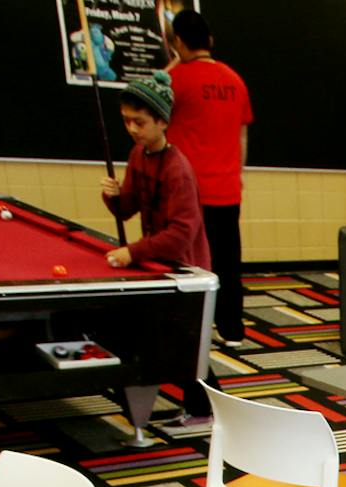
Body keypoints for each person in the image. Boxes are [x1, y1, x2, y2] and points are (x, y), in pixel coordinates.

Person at [101, 69, 215, 435]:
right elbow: (128, 208)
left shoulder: (178, 170)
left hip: (187, 268)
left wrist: (132, 252)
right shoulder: (139, 155)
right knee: (174, 338)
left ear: (162, 122)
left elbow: (181, 235)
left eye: (140, 122)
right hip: (159, 262)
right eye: (127, 122)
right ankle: (203, 405)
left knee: (187, 342)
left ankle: (206, 409)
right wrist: (113, 195)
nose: (133, 129)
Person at [166, 10, 253, 347]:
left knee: (187, 262)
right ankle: (232, 330)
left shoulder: (175, 79)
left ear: (177, 42)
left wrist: (170, 65)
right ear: (211, 41)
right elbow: (242, 137)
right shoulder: (235, 80)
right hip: (228, 187)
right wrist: (237, 174)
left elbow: (143, 101)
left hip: (189, 190)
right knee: (228, 262)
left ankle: (187, 330)